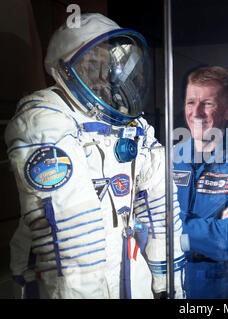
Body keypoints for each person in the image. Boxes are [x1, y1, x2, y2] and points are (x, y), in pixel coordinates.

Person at [5, 13, 185, 299]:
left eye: (108, 65)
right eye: (91, 66)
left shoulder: (130, 126)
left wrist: (169, 285)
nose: (103, 76)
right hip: (70, 282)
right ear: (65, 70)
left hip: (128, 271)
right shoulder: (43, 121)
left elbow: (161, 210)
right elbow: (74, 238)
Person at [173, 66, 228, 298]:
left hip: (220, 286)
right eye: (191, 102)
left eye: (208, 103)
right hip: (169, 278)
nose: (197, 112)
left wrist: (170, 229)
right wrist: (207, 229)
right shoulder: (167, 159)